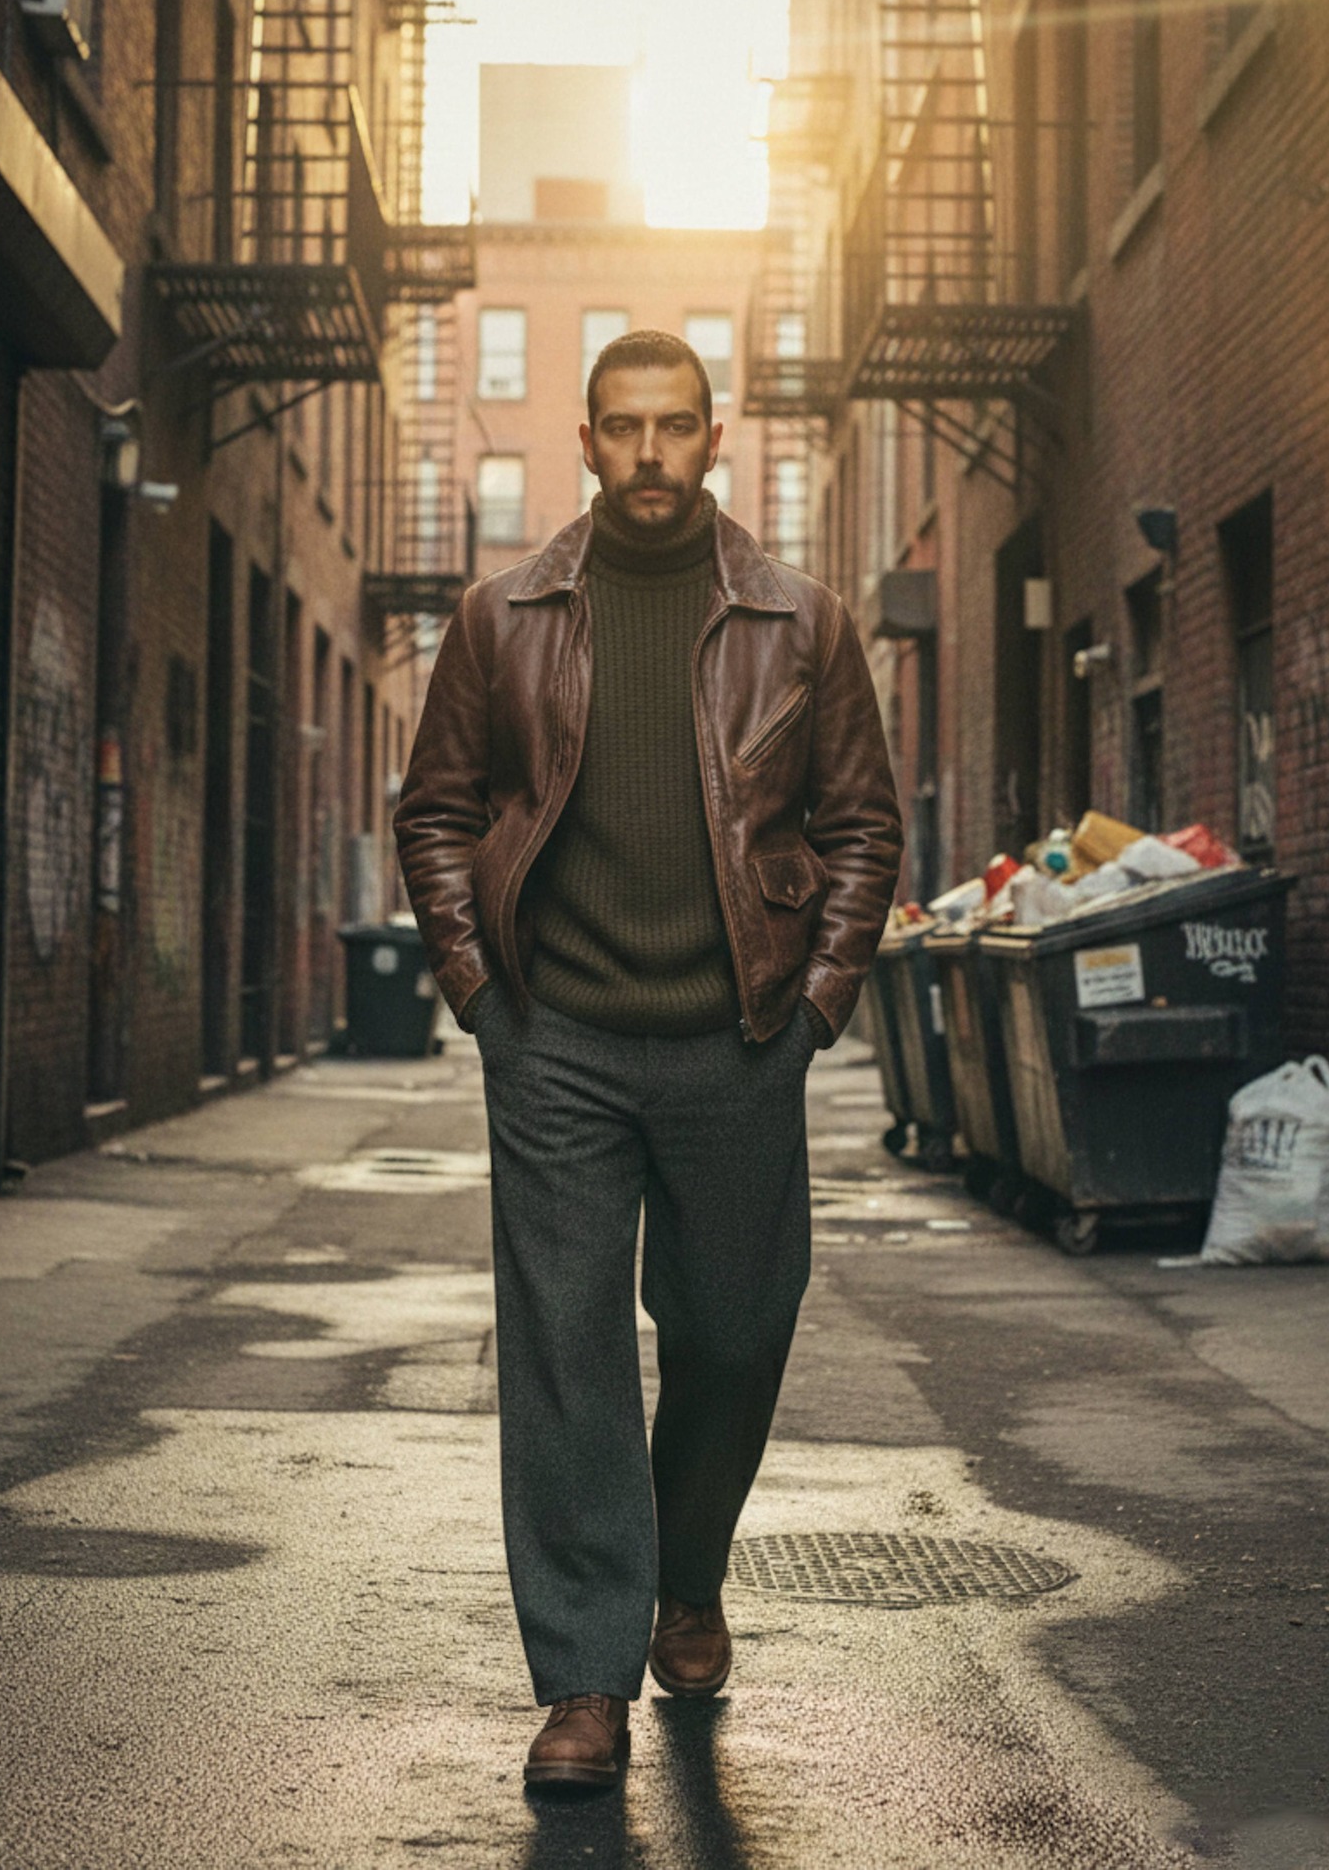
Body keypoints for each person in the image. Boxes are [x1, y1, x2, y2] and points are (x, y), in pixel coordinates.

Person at [395, 328, 901, 1791]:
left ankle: (688, 1577)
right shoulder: (506, 615)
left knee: (736, 1329)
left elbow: (863, 827)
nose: (652, 454)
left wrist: (814, 1008)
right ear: (587, 441)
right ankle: (581, 1682)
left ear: (716, 432)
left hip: (738, 1034)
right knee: (566, 1355)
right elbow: (435, 810)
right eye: (624, 429)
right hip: (555, 1040)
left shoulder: (800, 621)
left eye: (677, 426)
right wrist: (481, 989)